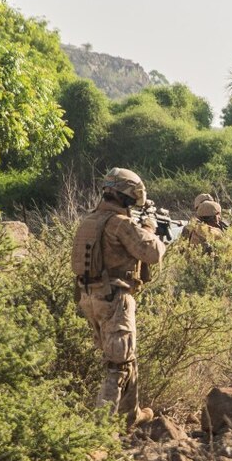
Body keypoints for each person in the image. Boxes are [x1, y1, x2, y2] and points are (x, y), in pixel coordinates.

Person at [71, 167, 165, 428]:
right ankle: (101, 431)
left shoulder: (89, 220)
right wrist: (149, 227)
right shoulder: (120, 224)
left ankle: (130, 414)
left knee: (127, 357)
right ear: (127, 196)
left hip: (91, 297)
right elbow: (152, 253)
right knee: (118, 365)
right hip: (115, 298)